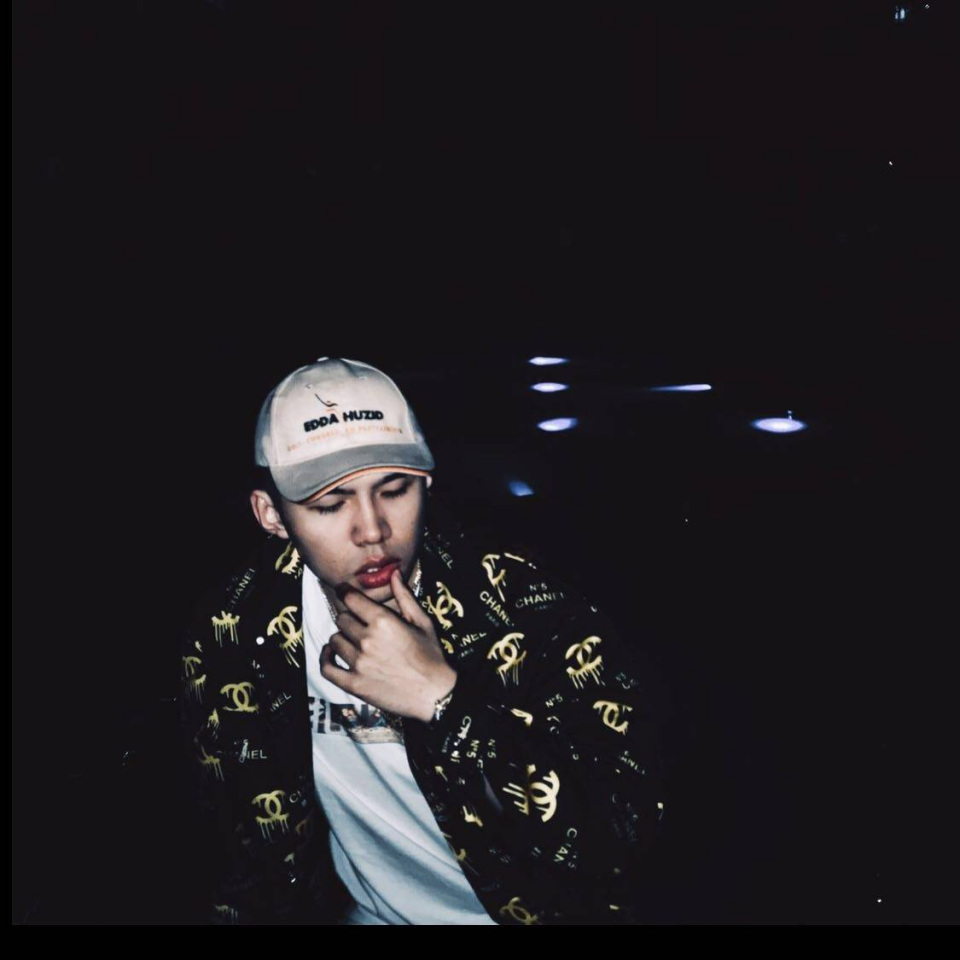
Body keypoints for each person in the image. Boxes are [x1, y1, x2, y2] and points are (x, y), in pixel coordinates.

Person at [180, 357, 666, 925]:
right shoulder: (236, 631)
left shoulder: (525, 610)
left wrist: (444, 701)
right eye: (330, 504)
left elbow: (618, 835)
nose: (372, 530)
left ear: (427, 482)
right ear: (272, 516)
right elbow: (240, 849)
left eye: (394, 490)